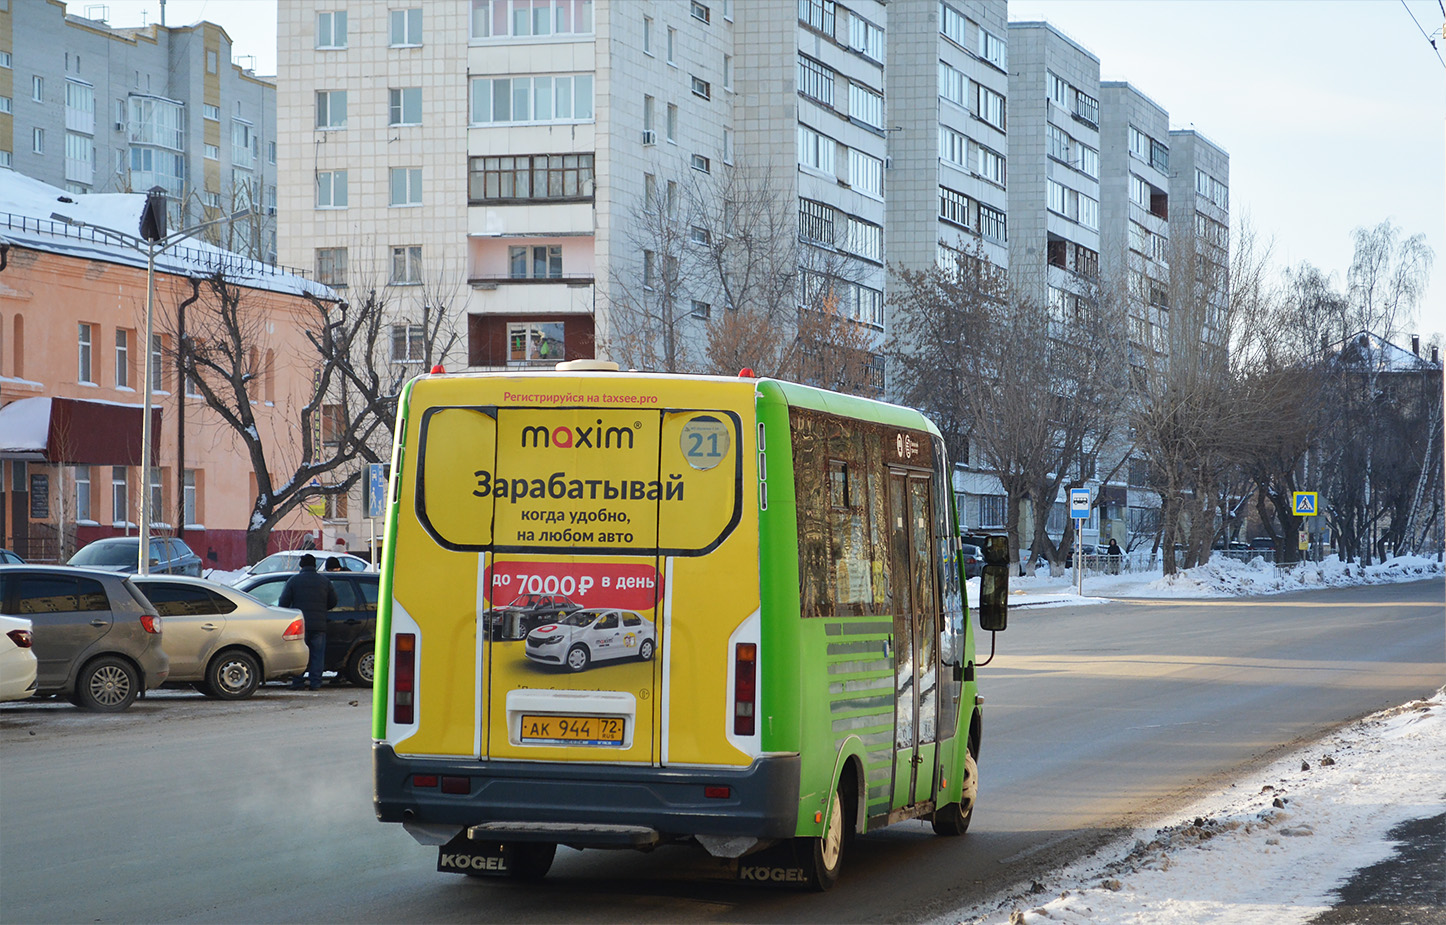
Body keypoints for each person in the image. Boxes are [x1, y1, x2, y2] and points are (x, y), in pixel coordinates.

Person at [279, 553, 337, 691]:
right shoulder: (324, 581)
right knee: (317, 655)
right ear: (315, 565)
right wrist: (322, 609)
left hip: (299, 625)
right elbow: (333, 602)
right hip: (319, 625)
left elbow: (283, 603)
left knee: (300, 653)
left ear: (301, 565)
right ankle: (315, 683)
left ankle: (298, 681)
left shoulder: (293, 581)